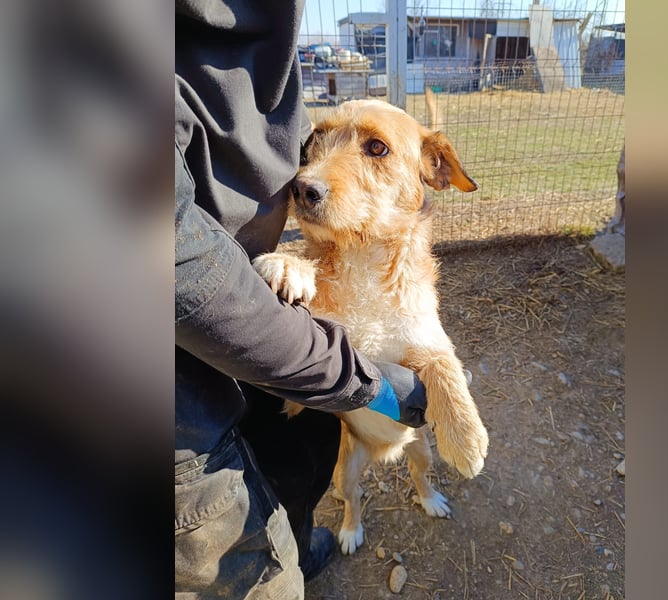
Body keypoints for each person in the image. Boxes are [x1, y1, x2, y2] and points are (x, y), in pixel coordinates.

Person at [175, 1, 428, 597]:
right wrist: (362, 381)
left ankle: (296, 530)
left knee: (297, 460)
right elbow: (169, 254)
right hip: (176, 385)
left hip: (268, 342)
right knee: (240, 562)